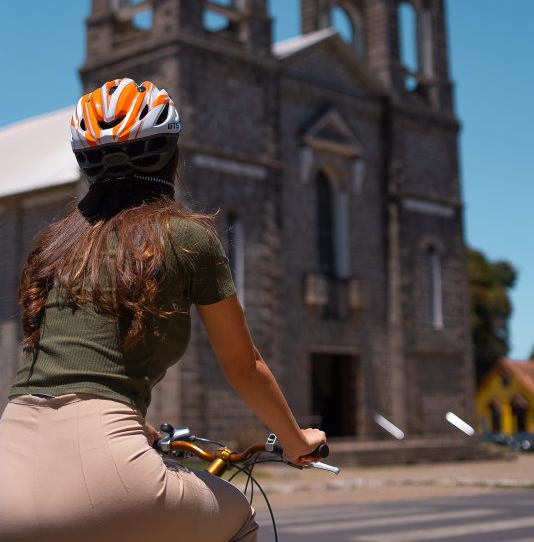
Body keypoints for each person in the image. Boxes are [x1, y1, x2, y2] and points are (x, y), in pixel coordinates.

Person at [0, 77, 326, 542]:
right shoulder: (184, 237)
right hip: (107, 474)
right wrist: (296, 441)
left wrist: (143, 429)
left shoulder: (53, 244)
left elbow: (64, 374)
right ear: (171, 154)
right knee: (237, 515)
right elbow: (243, 366)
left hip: (9, 471)